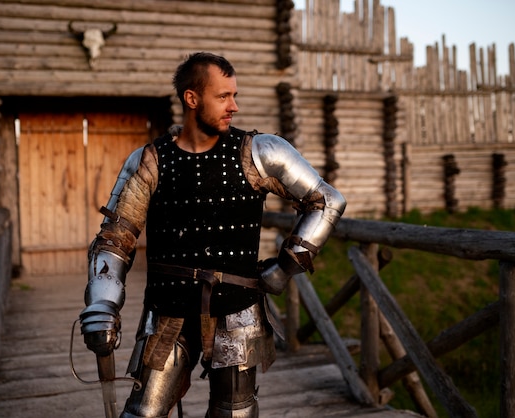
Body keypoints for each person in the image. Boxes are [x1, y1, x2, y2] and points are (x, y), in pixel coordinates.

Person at [79, 52, 346, 418]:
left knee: (234, 413)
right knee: (143, 413)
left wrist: (284, 268)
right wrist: (103, 304)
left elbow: (327, 200)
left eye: (234, 95)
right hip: (167, 316)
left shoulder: (260, 153)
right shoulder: (149, 162)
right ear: (192, 99)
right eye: (223, 96)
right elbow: (115, 238)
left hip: (238, 313)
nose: (233, 106)